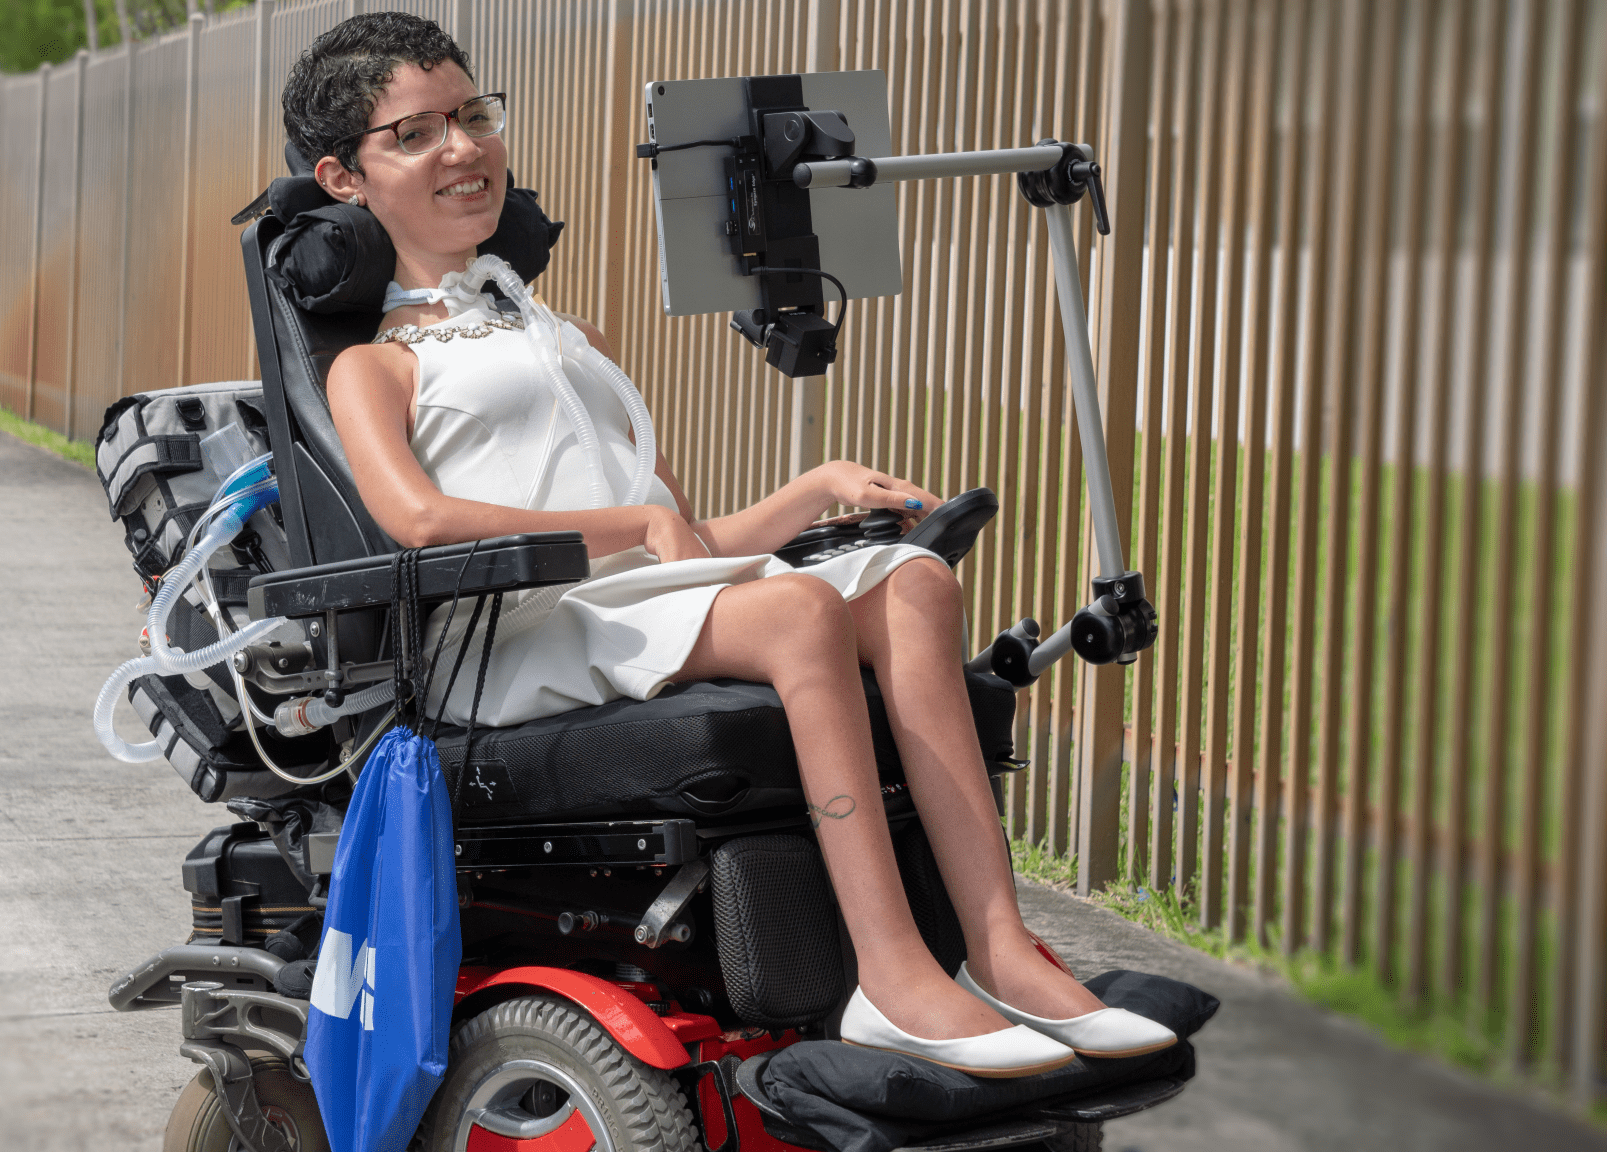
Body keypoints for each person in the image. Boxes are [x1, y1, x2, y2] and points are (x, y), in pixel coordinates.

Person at [286, 13, 1175, 1077]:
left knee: (912, 583)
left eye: (473, 116)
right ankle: (891, 981)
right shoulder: (375, 363)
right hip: (515, 641)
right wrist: (628, 526)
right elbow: (418, 523)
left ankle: (1001, 952)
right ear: (346, 178)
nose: (463, 149)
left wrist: (812, 491)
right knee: (798, 610)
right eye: (416, 133)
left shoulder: (569, 338)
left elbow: (688, 543)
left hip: (631, 614)